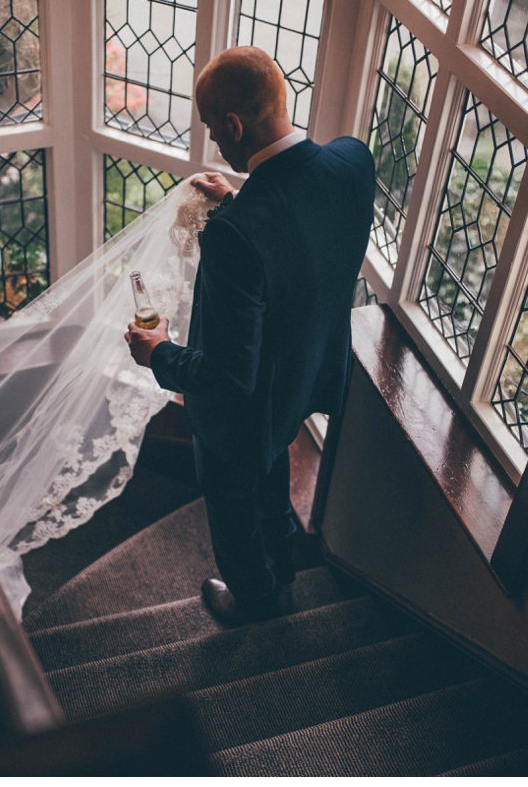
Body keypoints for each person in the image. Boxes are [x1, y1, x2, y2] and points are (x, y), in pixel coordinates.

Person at [125, 46, 376, 625]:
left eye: (214, 129)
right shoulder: (352, 163)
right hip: (305, 380)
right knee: (273, 459)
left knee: (234, 502)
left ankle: (255, 598)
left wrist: (158, 351)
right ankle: (285, 558)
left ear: (233, 126)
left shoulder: (234, 238)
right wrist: (239, 196)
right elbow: (303, 237)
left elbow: (226, 376)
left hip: (242, 413)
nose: (215, 141)